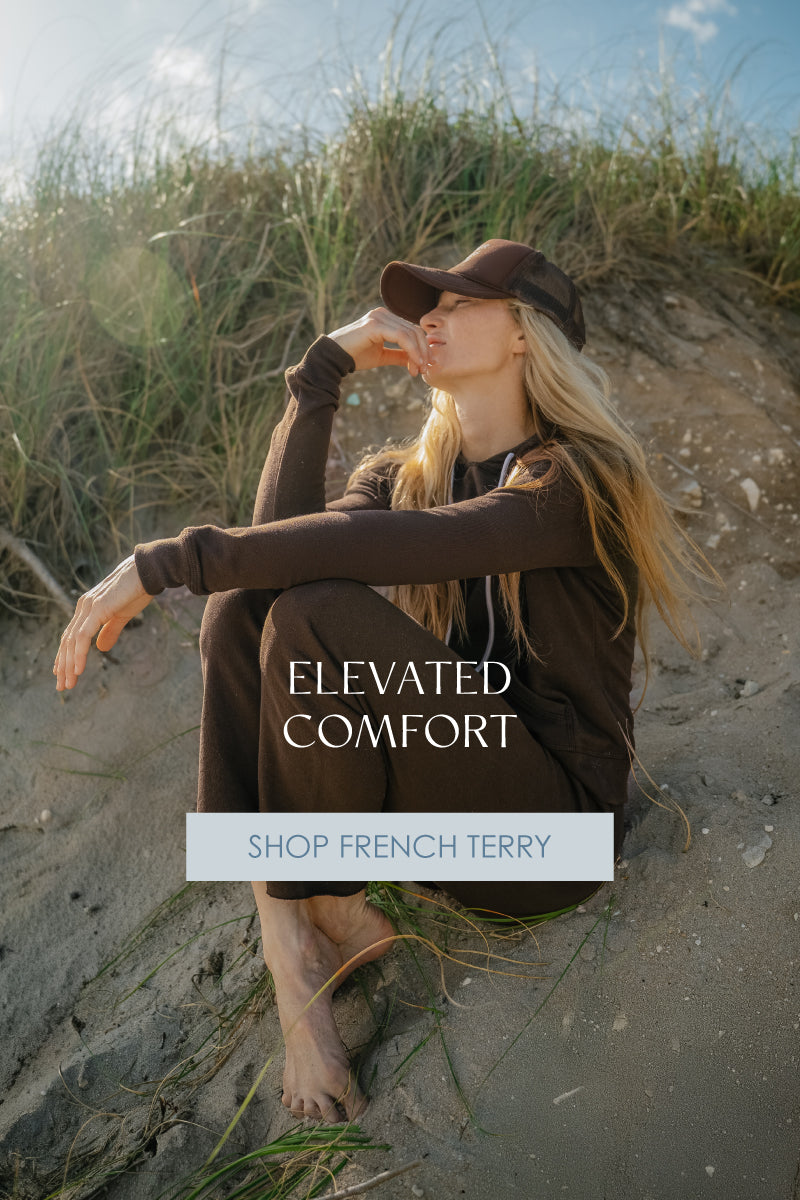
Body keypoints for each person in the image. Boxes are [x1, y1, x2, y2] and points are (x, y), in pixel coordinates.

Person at [53, 239, 709, 1124]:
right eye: (423, 305)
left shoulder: (573, 479)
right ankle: (297, 934)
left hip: (552, 852)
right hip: (440, 822)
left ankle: (314, 910)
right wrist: (320, 372)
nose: (427, 318)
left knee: (314, 610)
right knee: (248, 611)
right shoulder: (408, 476)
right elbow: (265, 574)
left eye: (457, 303)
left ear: (526, 335)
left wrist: (167, 561)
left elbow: (405, 550)